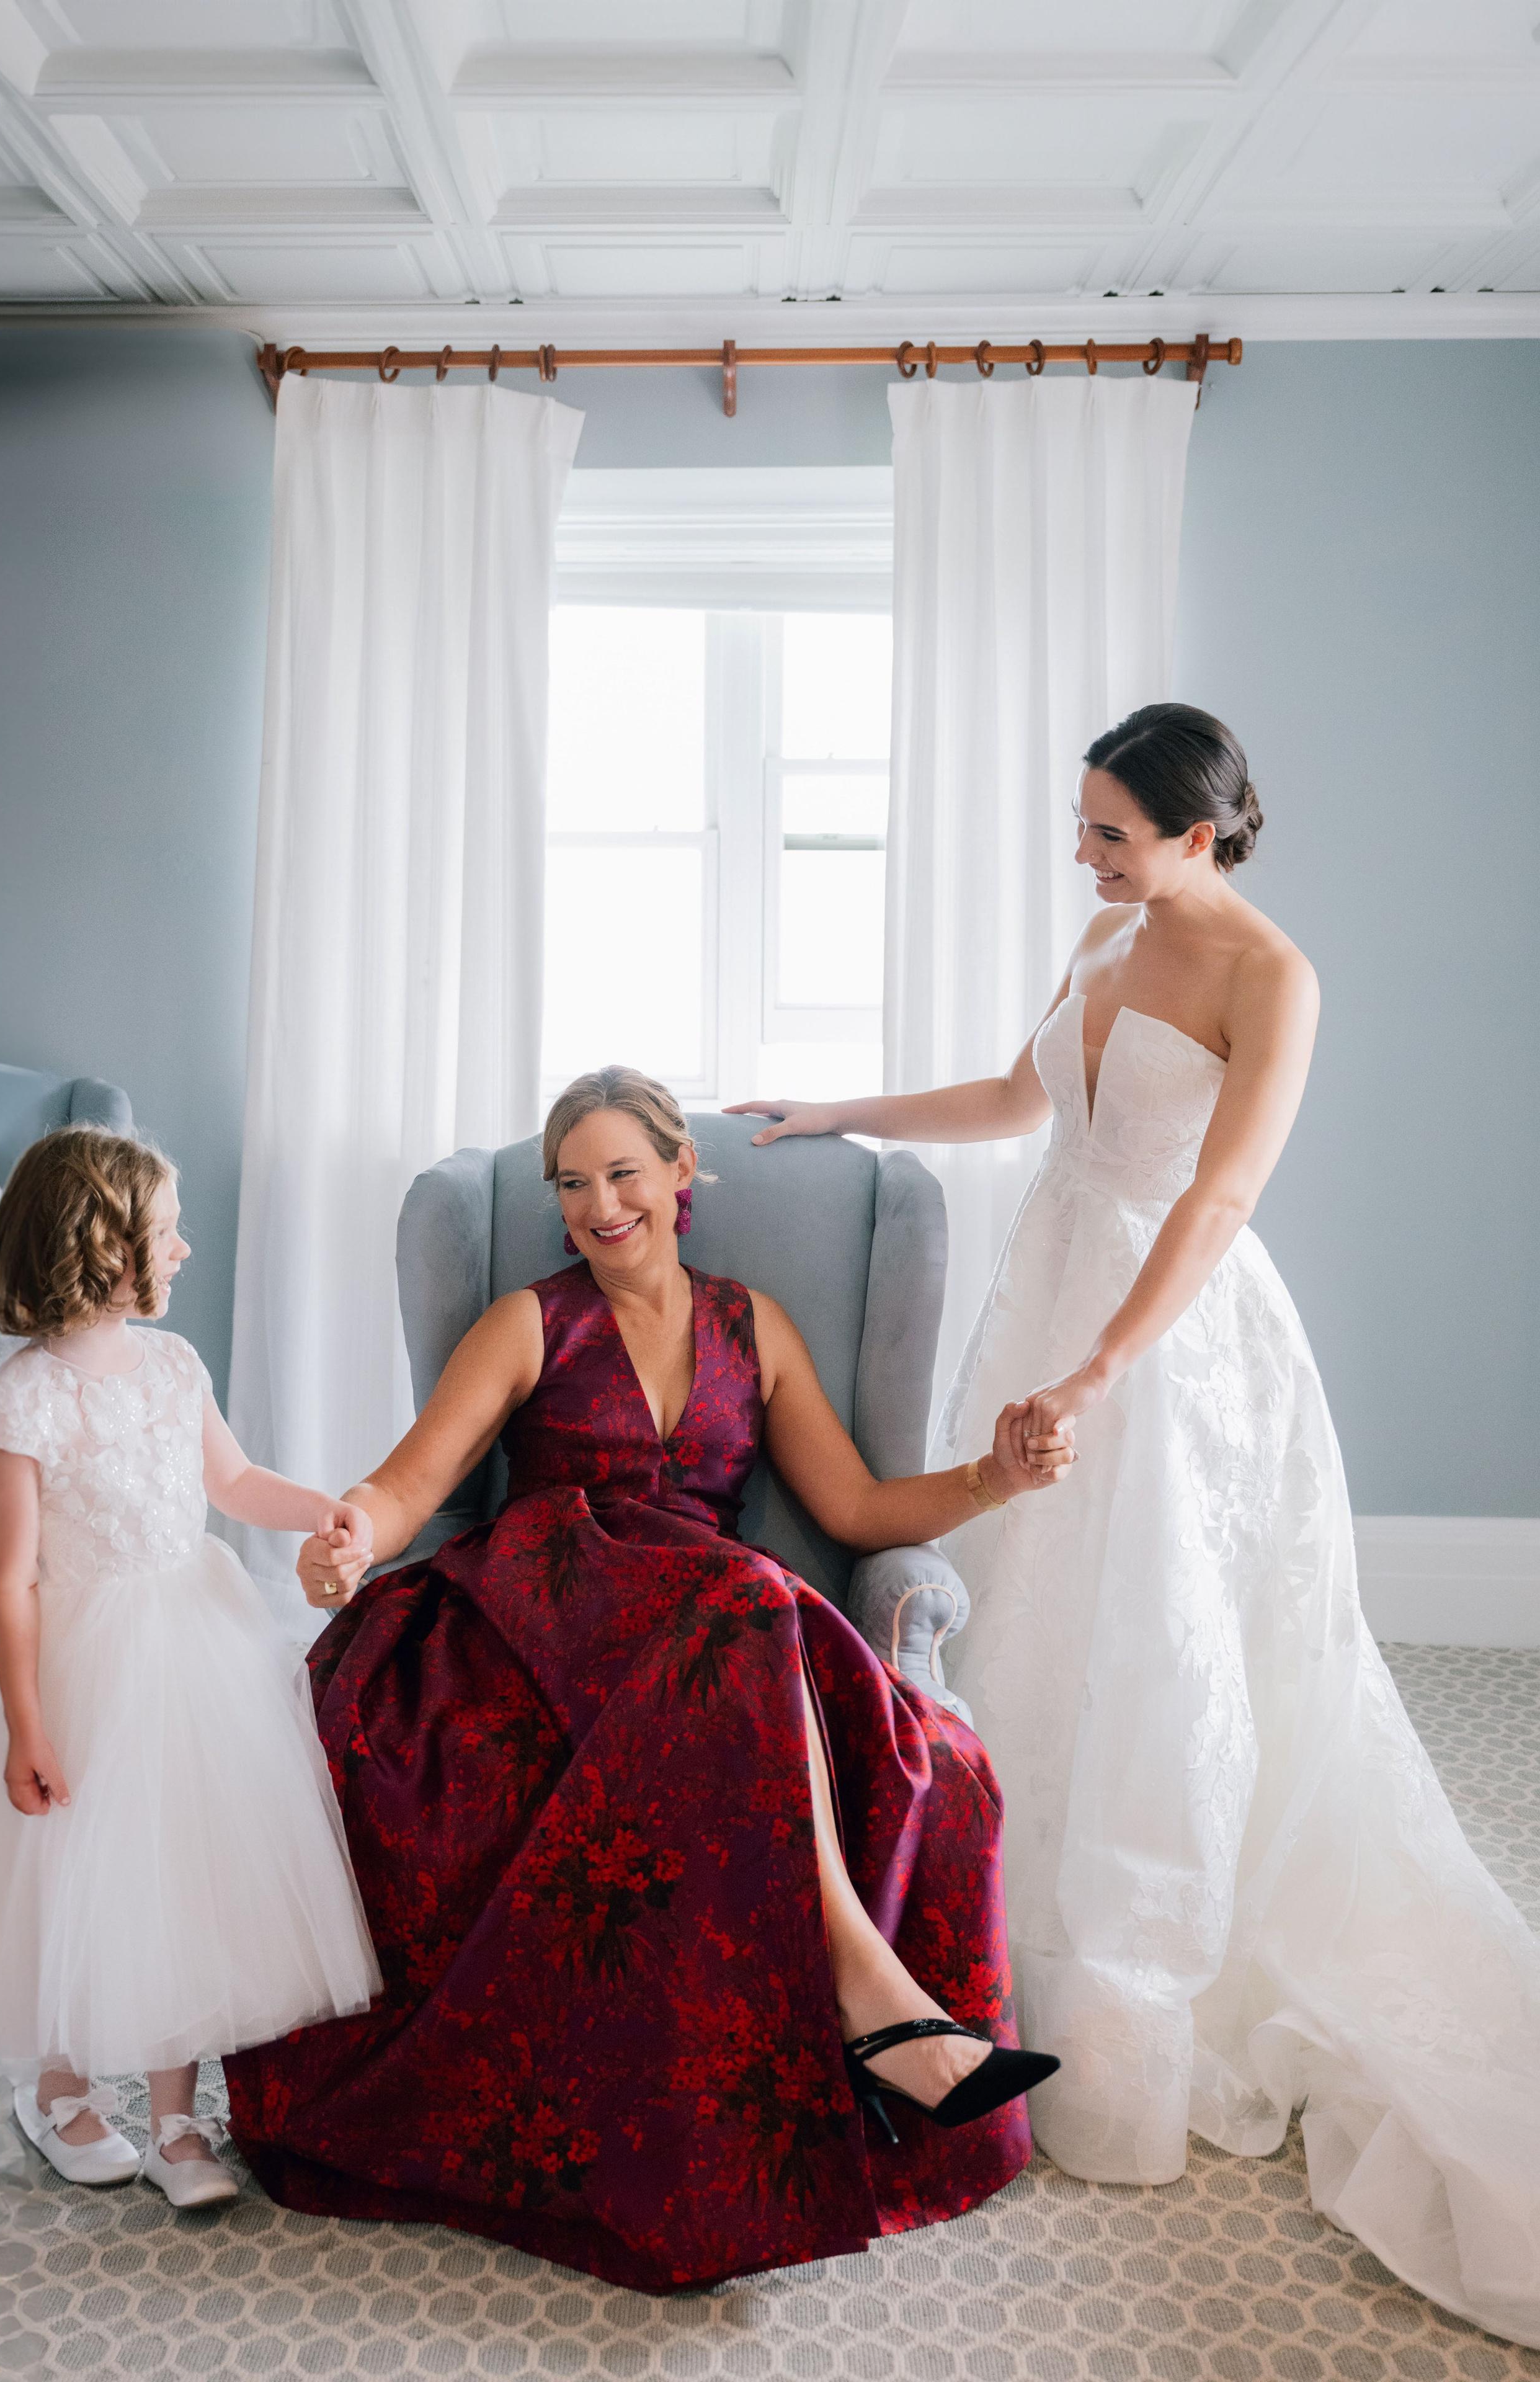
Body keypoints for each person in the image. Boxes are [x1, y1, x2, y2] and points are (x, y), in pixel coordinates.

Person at [730, 703, 1540, 2348]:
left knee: (1158, 1639)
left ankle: (1133, 2008)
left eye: (1109, 832)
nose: (1081, 854)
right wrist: (834, 1114)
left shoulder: (1270, 977)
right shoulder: (1105, 934)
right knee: (1025, 1601)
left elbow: (1217, 1199)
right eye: (1082, 822)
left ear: (1200, 832)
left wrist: (1100, 1370)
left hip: (1168, 1341)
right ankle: (980, 1943)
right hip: (1049, 1291)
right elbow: (1012, 1096)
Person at [225, 1065, 1070, 2295]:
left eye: (622, 1174)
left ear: (681, 1174)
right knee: (752, 1600)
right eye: (571, 1184)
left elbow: (853, 1507)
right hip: (543, 1604)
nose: (597, 1206)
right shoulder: (528, 1322)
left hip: (709, 1625)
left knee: (812, 1657)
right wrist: (352, 1529)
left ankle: (876, 2016)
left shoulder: (754, 1326)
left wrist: (995, 1479)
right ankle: (881, 2009)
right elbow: (410, 1482)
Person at [0, 1128, 381, 2208]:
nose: (185, 1248)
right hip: (83, 1664)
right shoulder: (18, 1402)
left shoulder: (174, 1365)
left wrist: (323, 1508)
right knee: (78, 1876)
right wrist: (27, 1725)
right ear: (103, 1247)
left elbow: (231, 1483)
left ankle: (175, 2120)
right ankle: (59, 2088)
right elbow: (14, 1581)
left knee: (185, 1870)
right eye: (167, 1232)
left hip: (194, 1643)